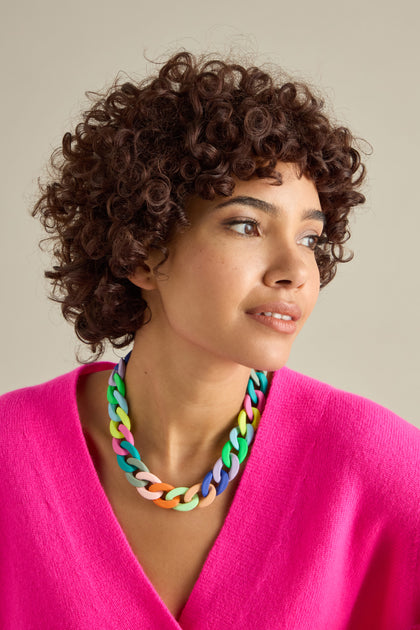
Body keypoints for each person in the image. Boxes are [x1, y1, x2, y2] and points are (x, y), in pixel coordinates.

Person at [1, 51, 419, 630]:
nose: (294, 270)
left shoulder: (379, 467)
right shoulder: (11, 458)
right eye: (246, 225)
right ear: (143, 251)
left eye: (310, 239)